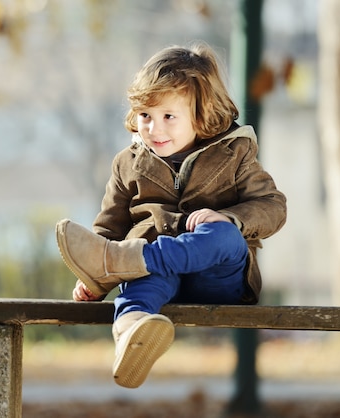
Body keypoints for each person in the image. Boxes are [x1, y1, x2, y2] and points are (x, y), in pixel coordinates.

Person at [55, 42, 287, 389]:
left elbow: (272, 206)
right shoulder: (128, 163)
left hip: (215, 277)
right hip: (154, 275)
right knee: (138, 287)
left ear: (200, 114)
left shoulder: (235, 153)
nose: (154, 129)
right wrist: (91, 281)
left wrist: (230, 218)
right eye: (145, 116)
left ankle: (132, 263)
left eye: (168, 117)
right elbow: (109, 227)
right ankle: (131, 333)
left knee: (222, 238)